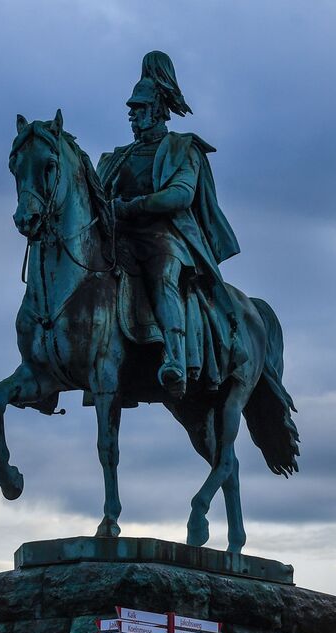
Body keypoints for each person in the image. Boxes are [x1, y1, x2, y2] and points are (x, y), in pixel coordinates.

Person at [96, 50, 240, 398]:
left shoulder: (182, 148)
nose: (133, 115)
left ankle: (175, 357)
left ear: (158, 109)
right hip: (119, 235)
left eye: (140, 108)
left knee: (163, 275)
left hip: (164, 235)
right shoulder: (118, 157)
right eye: (132, 109)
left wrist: (132, 206)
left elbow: (180, 195)